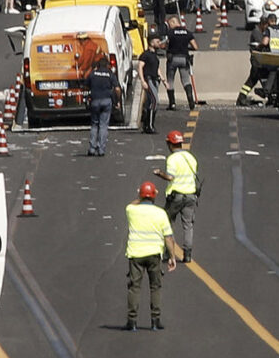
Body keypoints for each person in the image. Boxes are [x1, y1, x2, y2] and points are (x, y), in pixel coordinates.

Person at [124, 179, 180, 331]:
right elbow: (168, 238)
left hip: (136, 254)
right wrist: (172, 257)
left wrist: (141, 196)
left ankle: (132, 321)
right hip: (154, 254)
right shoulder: (160, 214)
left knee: (134, 287)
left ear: (141, 195)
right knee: (155, 287)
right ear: (154, 196)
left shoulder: (131, 210)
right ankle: (155, 321)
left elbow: (133, 203)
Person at [162, 129, 200, 259]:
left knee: (167, 223)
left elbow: (170, 177)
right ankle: (187, 254)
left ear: (170, 144)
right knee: (188, 226)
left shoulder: (172, 159)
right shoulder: (191, 158)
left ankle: (168, 253)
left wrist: (159, 173)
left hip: (176, 196)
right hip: (190, 196)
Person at [86, 54, 119, 156]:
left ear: (98, 65)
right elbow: (117, 89)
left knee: (94, 124)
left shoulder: (93, 74)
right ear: (108, 65)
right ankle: (101, 149)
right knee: (103, 125)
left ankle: (92, 148)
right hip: (106, 100)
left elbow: (86, 85)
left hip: (95, 100)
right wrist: (116, 100)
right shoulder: (110, 74)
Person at [165, 17, 198, 108]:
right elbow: (195, 46)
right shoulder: (187, 32)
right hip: (184, 59)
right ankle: (190, 100)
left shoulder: (170, 33)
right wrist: (186, 48)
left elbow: (165, 44)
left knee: (170, 80)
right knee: (186, 80)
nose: (169, 26)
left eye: (169, 24)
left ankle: (172, 103)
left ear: (173, 22)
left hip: (173, 59)